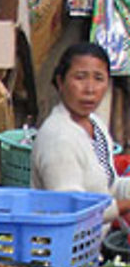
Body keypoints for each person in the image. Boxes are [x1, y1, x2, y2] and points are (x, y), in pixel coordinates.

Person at [31, 41, 130, 223]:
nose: (90, 89)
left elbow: (108, 187)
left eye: (99, 79)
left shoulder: (95, 125)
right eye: (80, 77)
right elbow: (72, 213)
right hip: (65, 245)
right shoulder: (58, 139)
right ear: (61, 82)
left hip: (90, 243)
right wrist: (125, 205)